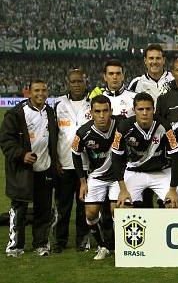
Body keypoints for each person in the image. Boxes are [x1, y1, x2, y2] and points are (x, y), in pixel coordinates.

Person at [1, 80, 58, 257]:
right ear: (29, 93)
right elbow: (5, 140)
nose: (40, 93)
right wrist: (21, 154)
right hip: (22, 170)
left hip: (45, 168)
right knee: (19, 208)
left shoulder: (50, 112)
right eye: (36, 90)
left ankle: (41, 244)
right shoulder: (17, 114)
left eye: (44, 90)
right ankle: (15, 246)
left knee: (43, 209)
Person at [112, 93, 178, 208]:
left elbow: (176, 156)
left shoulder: (164, 126)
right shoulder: (123, 127)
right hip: (135, 170)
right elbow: (116, 158)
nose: (144, 113)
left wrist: (173, 189)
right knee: (124, 205)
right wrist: (123, 189)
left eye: (148, 109)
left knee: (172, 204)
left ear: (153, 109)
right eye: (140, 109)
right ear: (134, 110)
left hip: (161, 171)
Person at [73, 95, 119, 260]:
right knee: (91, 214)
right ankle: (102, 245)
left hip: (118, 177)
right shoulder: (83, 132)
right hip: (97, 177)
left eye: (105, 111)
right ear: (91, 113)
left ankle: (120, 246)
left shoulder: (120, 125)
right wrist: (82, 182)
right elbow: (75, 153)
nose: (102, 115)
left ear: (111, 111)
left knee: (118, 211)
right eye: (97, 111)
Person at [52, 68, 92, 252]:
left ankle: (82, 240)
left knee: (84, 205)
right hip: (64, 164)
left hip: (86, 165)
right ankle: (60, 241)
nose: (76, 84)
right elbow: (52, 135)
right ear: (68, 83)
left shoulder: (93, 102)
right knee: (63, 206)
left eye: (79, 81)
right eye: (73, 81)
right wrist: (55, 160)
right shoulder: (58, 104)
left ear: (85, 82)